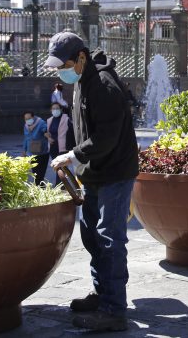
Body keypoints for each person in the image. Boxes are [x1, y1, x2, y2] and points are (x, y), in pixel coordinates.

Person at [45, 31, 138, 332]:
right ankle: (102, 294)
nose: (60, 72)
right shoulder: (81, 82)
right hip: (94, 171)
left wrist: (73, 155)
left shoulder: (103, 84)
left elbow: (106, 137)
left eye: (64, 65)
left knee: (109, 237)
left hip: (114, 171)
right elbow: (81, 127)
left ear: (81, 58)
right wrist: (74, 157)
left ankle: (114, 309)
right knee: (91, 235)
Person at [45, 102, 75, 185]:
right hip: (53, 147)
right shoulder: (49, 120)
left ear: (61, 109)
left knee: (61, 167)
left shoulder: (66, 119)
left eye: (57, 108)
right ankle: (62, 185)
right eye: (53, 109)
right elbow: (47, 132)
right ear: (51, 110)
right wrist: (48, 137)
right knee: (57, 167)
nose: (55, 110)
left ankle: (60, 186)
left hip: (63, 147)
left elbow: (73, 131)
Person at [23, 110, 49, 185]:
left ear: (33, 117)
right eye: (26, 119)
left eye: (29, 118)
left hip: (42, 153)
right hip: (32, 153)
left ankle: (41, 189)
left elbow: (45, 130)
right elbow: (26, 138)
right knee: (35, 174)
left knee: (40, 174)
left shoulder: (41, 123)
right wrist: (24, 150)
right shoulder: (26, 126)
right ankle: (39, 189)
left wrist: (46, 133)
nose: (28, 120)